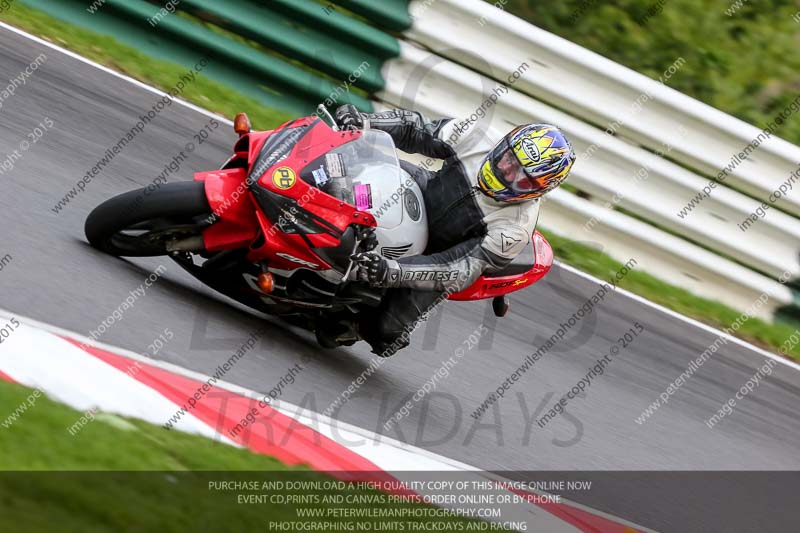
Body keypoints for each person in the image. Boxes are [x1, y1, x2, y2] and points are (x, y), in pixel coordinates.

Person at [328, 105, 576, 356]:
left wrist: (391, 271)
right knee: (356, 162)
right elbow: (417, 129)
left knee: (385, 330)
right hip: (422, 193)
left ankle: (353, 326)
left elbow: (456, 269)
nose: (506, 171)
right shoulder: (477, 137)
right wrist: (366, 121)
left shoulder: (514, 227)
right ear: (503, 145)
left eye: (521, 178)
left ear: (537, 190)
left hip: (439, 253)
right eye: (510, 158)